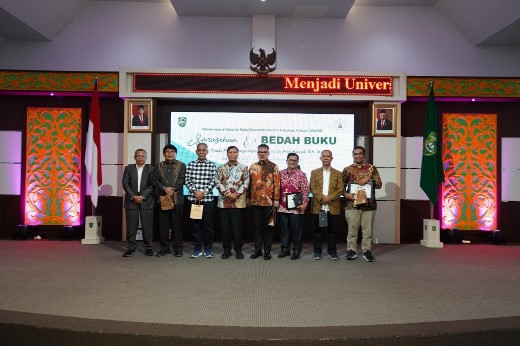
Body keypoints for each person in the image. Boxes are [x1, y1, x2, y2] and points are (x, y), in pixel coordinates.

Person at [342, 146, 382, 262]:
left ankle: (367, 251)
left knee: (367, 232)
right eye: (355, 154)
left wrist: (369, 180)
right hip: (351, 205)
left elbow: (379, 184)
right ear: (353, 155)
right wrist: (346, 195)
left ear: (364, 155)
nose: (358, 156)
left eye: (360, 154)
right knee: (352, 231)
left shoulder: (371, 169)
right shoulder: (347, 169)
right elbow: (340, 187)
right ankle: (351, 251)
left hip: (368, 206)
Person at [309, 150, 344, 260]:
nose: (325, 158)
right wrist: (322, 197)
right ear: (320, 158)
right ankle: (317, 252)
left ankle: (332, 251)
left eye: (328, 156)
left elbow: (341, 189)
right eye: (323, 156)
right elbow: (312, 187)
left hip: (332, 206)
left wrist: (329, 198)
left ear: (331, 158)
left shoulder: (338, 173)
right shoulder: (314, 172)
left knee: (332, 231)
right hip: (318, 206)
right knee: (317, 231)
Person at [215, 146, 250, 259]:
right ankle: (227, 250)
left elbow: (246, 183)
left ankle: (238, 250)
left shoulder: (244, 168)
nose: (232, 154)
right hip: (223, 202)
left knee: (237, 228)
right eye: (230, 152)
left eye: (235, 152)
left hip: (238, 202)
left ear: (238, 153)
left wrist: (237, 194)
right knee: (225, 228)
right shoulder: (221, 168)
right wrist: (227, 194)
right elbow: (217, 182)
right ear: (227, 153)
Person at [247, 144, 280, 260]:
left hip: (268, 202)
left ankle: (267, 251)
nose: (262, 154)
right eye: (260, 152)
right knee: (257, 227)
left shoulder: (273, 166)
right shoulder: (252, 166)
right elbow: (249, 184)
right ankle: (257, 250)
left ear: (268, 153)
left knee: (268, 228)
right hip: (255, 202)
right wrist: (247, 198)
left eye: (264, 152)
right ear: (257, 153)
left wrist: (276, 199)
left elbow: (277, 184)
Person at [185, 143, 217, 258]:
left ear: (207, 152)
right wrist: (195, 191)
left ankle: (208, 249)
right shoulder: (191, 164)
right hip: (194, 199)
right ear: (196, 151)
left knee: (208, 226)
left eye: (204, 150)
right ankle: (197, 249)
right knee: (195, 226)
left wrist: (203, 192)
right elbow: (187, 180)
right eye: (199, 150)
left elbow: (214, 181)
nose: (202, 152)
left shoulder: (212, 165)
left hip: (207, 199)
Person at [154, 144, 186, 257]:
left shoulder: (181, 165)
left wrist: (172, 190)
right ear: (164, 154)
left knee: (176, 226)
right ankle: (164, 248)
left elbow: (182, 179)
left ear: (175, 153)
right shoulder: (159, 165)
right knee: (163, 226)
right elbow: (156, 180)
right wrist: (164, 188)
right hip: (162, 199)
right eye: (167, 151)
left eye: (172, 151)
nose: (170, 153)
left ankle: (178, 249)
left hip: (177, 199)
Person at [122, 149, 155, 257]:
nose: (140, 158)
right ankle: (131, 248)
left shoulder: (151, 169)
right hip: (132, 201)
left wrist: (142, 196)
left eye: (142, 156)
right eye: (138, 156)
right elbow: (125, 184)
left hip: (147, 201)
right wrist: (133, 196)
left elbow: (152, 185)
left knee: (147, 227)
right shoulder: (128, 168)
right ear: (134, 157)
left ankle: (148, 248)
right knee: (131, 226)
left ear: (146, 157)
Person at [277, 153, 309, 260]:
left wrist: (304, 204)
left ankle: (296, 250)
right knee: (284, 230)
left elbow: (305, 191)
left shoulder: (302, 175)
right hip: (282, 206)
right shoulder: (280, 173)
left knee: (296, 231)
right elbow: (276, 189)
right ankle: (285, 249)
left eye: (295, 161)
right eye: (290, 160)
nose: (292, 162)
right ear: (287, 161)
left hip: (297, 207)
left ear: (297, 162)